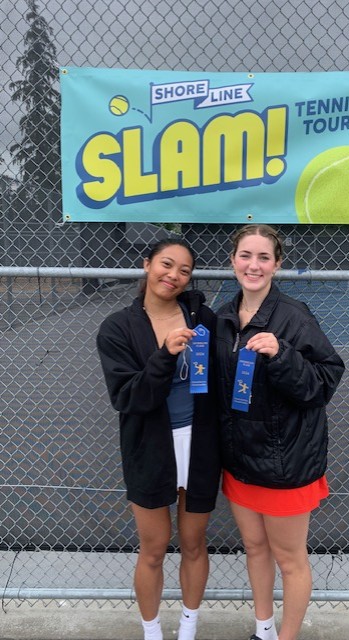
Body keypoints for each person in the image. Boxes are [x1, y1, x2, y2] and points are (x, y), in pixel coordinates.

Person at [215, 224, 345, 640]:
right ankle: (264, 630)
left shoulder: (293, 315)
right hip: (240, 463)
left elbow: (323, 382)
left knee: (289, 559)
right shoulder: (221, 318)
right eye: (246, 255)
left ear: (277, 264)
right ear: (233, 259)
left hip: (285, 463)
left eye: (263, 257)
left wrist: (282, 353)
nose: (253, 265)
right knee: (254, 549)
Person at [96, 238, 220, 640]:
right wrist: (165, 355)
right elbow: (129, 397)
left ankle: (188, 628)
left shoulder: (203, 319)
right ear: (147, 264)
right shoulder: (117, 328)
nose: (174, 275)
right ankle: (152, 632)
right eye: (167, 264)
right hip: (149, 448)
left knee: (193, 543)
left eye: (184, 270)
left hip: (200, 444)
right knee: (153, 548)